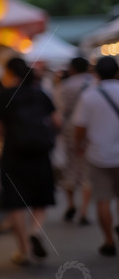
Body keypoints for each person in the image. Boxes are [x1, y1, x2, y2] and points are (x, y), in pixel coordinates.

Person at [0, 57, 59, 266]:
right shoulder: (40, 94)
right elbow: (57, 121)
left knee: (15, 201)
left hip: (13, 154)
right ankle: (35, 231)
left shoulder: (4, 95)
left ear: (10, 72)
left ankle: (23, 250)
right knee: (40, 197)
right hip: (40, 154)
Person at [73, 56, 119, 257]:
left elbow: (80, 127)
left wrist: (78, 146)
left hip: (98, 154)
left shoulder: (89, 96)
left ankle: (109, 241)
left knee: (103, 199)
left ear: (97, 74)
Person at [54, 57, 94, 224]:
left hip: (69, 130)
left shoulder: (64, 86)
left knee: (69, 167)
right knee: (87, 170)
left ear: (72, 69)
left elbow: (57, 113)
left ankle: (71, 204)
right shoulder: (95, 84)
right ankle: (84, 210)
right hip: (91, 130)